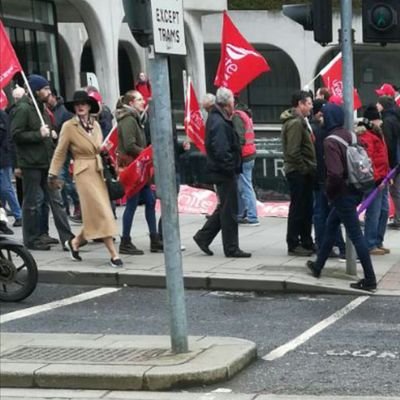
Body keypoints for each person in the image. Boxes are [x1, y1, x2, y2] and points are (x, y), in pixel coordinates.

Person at [307, 103, 377, 292]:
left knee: (355, 235)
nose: (320, 119)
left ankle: (370, 279)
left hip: (342, 193)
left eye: (323, 116)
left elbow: (335, 174)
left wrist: (330, 193)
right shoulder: (351, 134)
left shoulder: (330, 141)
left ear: (330, 118)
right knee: (331, 224)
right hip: (357, 189)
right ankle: (318, 265)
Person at [48, 90, 122, 267]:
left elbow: (101, 148)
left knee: (96, 213)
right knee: (102, 211)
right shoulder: (68, 126)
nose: (80, 106)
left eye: (83, 103)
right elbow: (60, 151)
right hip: (83, 171)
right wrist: (53, 173)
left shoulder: (95, 125)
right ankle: (114, 254)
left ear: (89, 106)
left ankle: (74, 243)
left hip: (99, 170)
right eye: (77, 104)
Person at [11, 74, 74, 251]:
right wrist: (39, 135)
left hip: (47, 161)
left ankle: (65, 238)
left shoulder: (43, 108)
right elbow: (15, 134)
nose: (49, 92)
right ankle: (31, 238)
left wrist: (51, 134)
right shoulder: (23, 109)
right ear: (36, 90)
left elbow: (45, 131)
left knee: (55, 199)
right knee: (33, 201)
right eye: (45, 89)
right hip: (31, 163)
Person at [193, 87, 251, 258]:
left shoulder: (219, 118)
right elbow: (221, 149)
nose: (234, 105)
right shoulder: (219, 121)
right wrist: (231, 167)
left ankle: (203, 237)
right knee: (229, 210)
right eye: (233, 101)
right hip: (224, 172)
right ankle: (231, 248)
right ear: (227, 103)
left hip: (223, 170)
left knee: (225, 207)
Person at [116, 90, 163, 255]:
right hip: (133, 168)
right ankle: (125, 241)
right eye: (139, 99)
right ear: (130, 103)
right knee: (132, 204)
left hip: (139, 168)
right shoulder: (129, 120)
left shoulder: (136, 119)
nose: (142, 101)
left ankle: (154, 239)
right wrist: (146, 154)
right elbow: (129, 145)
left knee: (150, 201)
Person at [281, 90, 316, 257]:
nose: (311, 106)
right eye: (308, 103)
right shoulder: (295, 123)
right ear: (300, 104)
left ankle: (306, 240)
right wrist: (304, 168)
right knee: (298, 208)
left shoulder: (303, 121)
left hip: (304, 171)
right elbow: (293, 151)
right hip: (298, 172)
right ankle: (294, 243)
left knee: (306, 207)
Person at [310, 99, 345, 258]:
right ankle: (339, 247)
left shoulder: (317, 131)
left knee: (323, 213)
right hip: (327, 179)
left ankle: (323, 247)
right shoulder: (328, 134)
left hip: (322, 177)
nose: (321, 117)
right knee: (330, 214)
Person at [357, 105, 390, 255]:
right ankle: (370, 243)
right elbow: (367, 160)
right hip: (375, 181)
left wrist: (387, 174)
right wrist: (377, 179)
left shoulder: (377, 133)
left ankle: (378, 240)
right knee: (374, 212)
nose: (380, 122)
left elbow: (383, 156)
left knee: (384, 210)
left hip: (383, 178)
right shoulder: (366, 136)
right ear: (373, 120)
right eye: (378, 119)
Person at [232, 100, 259, 226]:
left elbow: (239, 137)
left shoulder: (237, 116)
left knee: (245, 186)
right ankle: (241, 213)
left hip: (244, 155)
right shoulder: (246, 115)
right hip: (249, 153)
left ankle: (252, 216)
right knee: (242, 185)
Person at [377, 96, 400, 230]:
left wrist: (390, 165)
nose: (377, 105)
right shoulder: (396, 117)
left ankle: (398, 218)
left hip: (394, 161)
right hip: (398, 158)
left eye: (378, 103)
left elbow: (389, 144)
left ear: (383, 106)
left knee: (395, 191)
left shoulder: (387, 121)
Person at [0, 108, 22, 227]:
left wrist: (7, 152)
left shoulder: (2, 115)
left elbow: (8, 137)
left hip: (3, 158)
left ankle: (18, 215)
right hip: (3, 156)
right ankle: (2, 217)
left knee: (5, 188)